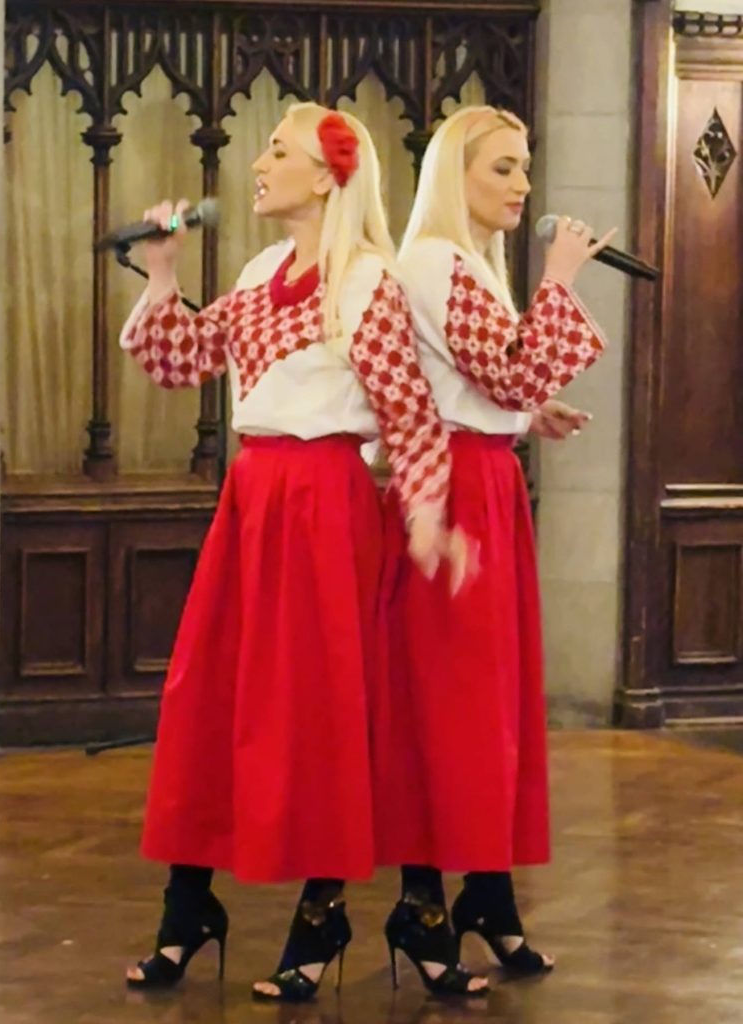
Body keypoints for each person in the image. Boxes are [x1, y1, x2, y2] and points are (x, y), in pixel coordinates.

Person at [117, 101, 476, 1001]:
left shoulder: (365, 282)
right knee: (210, 697)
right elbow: (180, 360)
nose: (259, 164)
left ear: (325, 176)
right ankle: (186, 908)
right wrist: (162, 271)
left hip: (324, 507)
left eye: (277, 151)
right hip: (253, 501)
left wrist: (426, 515)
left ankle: (321, 915)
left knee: (320, 712)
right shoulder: (260, 272)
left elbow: (409, 413)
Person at [375, 105, 614, 982]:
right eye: (502, 168)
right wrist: (560, 280)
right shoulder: (434, 260)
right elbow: (507, 367)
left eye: (525, 167)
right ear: (455, 175)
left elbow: (490, 381)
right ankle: (422, 902)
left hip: (489, 482)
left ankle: (488, 893)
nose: (522, 185)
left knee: (492, 704)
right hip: (450, 491)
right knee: (448, 702)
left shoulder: (471, 262)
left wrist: (525, 416)